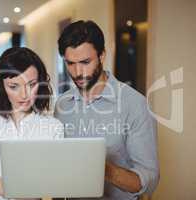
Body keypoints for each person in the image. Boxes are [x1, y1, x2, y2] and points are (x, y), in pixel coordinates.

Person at [54, 20, 159, 200]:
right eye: (70, 63)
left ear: (102, 56)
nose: (78, 72)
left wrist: (104, 170)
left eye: (85, 62)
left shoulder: (135, 104)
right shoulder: (61, 105)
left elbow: (149, 180)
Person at [0, 47, 63, 200]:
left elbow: (54, 183)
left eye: (31, 84)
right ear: (1, 86)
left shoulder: (53, 128)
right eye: (14, 86)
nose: (24, 95)